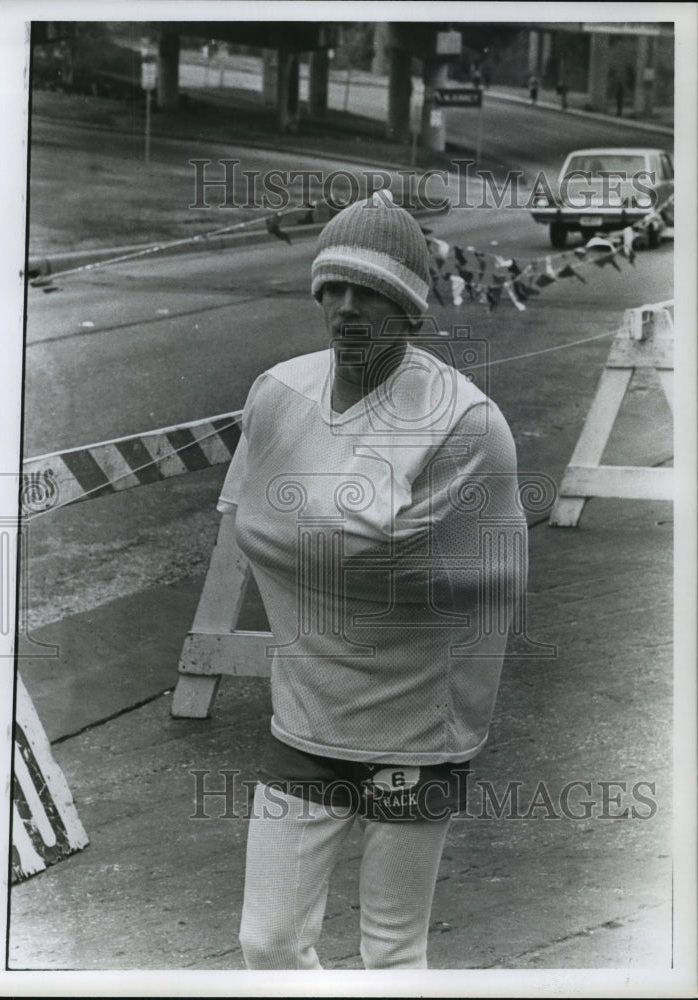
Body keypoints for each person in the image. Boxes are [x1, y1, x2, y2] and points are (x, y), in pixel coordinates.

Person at [217, 191, 527, 969]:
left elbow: (387, 560)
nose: (348, 308)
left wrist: (309, 532)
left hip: (418, 720)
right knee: (268, 942)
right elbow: (248, 520)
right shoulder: (279, 391)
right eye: (336, 288)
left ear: (409, 310)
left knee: (391, 954)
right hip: (309, 711)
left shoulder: (463, 423)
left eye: (373, 294)